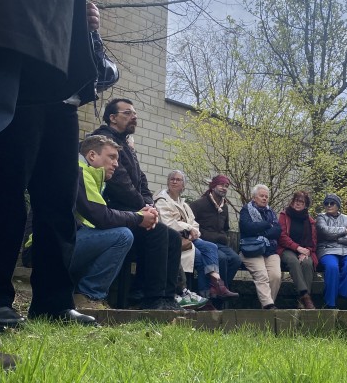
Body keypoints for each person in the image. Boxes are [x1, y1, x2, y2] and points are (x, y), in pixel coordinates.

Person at [0, 0, 99, 328]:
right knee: (4, 190)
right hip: (20, 74)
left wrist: (85, 25)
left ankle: (54, 303)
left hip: (62, 93)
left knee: (59, 201)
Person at [91, 99, 184, 311]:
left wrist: (149, 206)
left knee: (173, 238)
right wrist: (144, 209)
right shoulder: (104, 140)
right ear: (112, 118)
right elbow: (120, 183)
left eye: (135, 113)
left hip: (134, 211)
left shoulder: (126, 144)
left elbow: (141, 180)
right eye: (128, 113)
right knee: (159, 233)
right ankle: (151, 297)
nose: (134, 116)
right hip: (114, 212)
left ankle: (167, 298)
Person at [71, 135, 142, 309]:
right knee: (122, 236)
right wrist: (138, 217)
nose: (116, 164)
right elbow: (102, 217)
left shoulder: (85, 173)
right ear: (92, 155)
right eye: (111, 157)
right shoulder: (80, 171)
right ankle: (88, 296)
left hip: (61, 242)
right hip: (45, 248)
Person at [154, 170, 238, 304]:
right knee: (201, 258)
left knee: (211, 247)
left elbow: (194, 223)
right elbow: (167, 223)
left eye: (178, 180)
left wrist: (195, 232)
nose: (174, 181)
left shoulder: (184, 204)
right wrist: (189, 228)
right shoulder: (162, 201)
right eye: (172, 179)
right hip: (174, 240)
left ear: (184, 186)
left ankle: (217, 284)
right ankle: (207, 297)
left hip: (190, 239)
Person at [189, 175, 241, 297]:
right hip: (204, 243)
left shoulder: (225, 207)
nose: (224, 188)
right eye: (221, 185)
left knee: (236, 260)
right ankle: (218, 294)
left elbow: (226, 228)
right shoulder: (198, 204)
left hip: (221, 244)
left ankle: (220, 290)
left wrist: (224, 237)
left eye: (227, 186)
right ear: (213, 186)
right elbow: (191, 224)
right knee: (221, 258)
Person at [239, 184, 282, 309]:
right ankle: (268, 306)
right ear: (254, 197)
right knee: (262, 275)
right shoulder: (246, 210)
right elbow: (247, 228)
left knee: (275, 276)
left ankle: (267, 305)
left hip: (269, 250)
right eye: (261, 196)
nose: (264, 198)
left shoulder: (271, 211)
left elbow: (278, 230)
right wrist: (267, 224)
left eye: (266, 196)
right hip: (251, 249)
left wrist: (260, 230)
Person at [316, 194, 347, 309]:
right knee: (332, 267)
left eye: (332, 203)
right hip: (327, 250)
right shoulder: (321, 217)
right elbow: (324, 231)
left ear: (338, 205)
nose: (329, 205)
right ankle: (330, 304)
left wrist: (337, 238)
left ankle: (341, 292)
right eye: (326, 203)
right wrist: (343, 230)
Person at [277, 191, 317, 309]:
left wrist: (307, 251)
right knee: (293, 261)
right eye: (296, 201)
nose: (297, 204)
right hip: (286, 248)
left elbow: (313, 241)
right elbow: (282, 237)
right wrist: (297, 248)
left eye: (301, 202)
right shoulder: (284, 215)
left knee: (307, 263)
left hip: (304, 250)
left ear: (305, 205)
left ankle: (302, 301)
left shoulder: (310, 221)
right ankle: (305, 296)